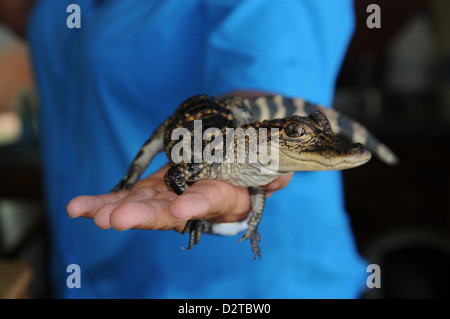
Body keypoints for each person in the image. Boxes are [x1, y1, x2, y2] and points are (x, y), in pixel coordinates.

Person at [1, 0, 368, 298]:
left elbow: (265, 73)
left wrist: (236, 169)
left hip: (236, 290)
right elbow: (40, 20)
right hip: (93, 272)